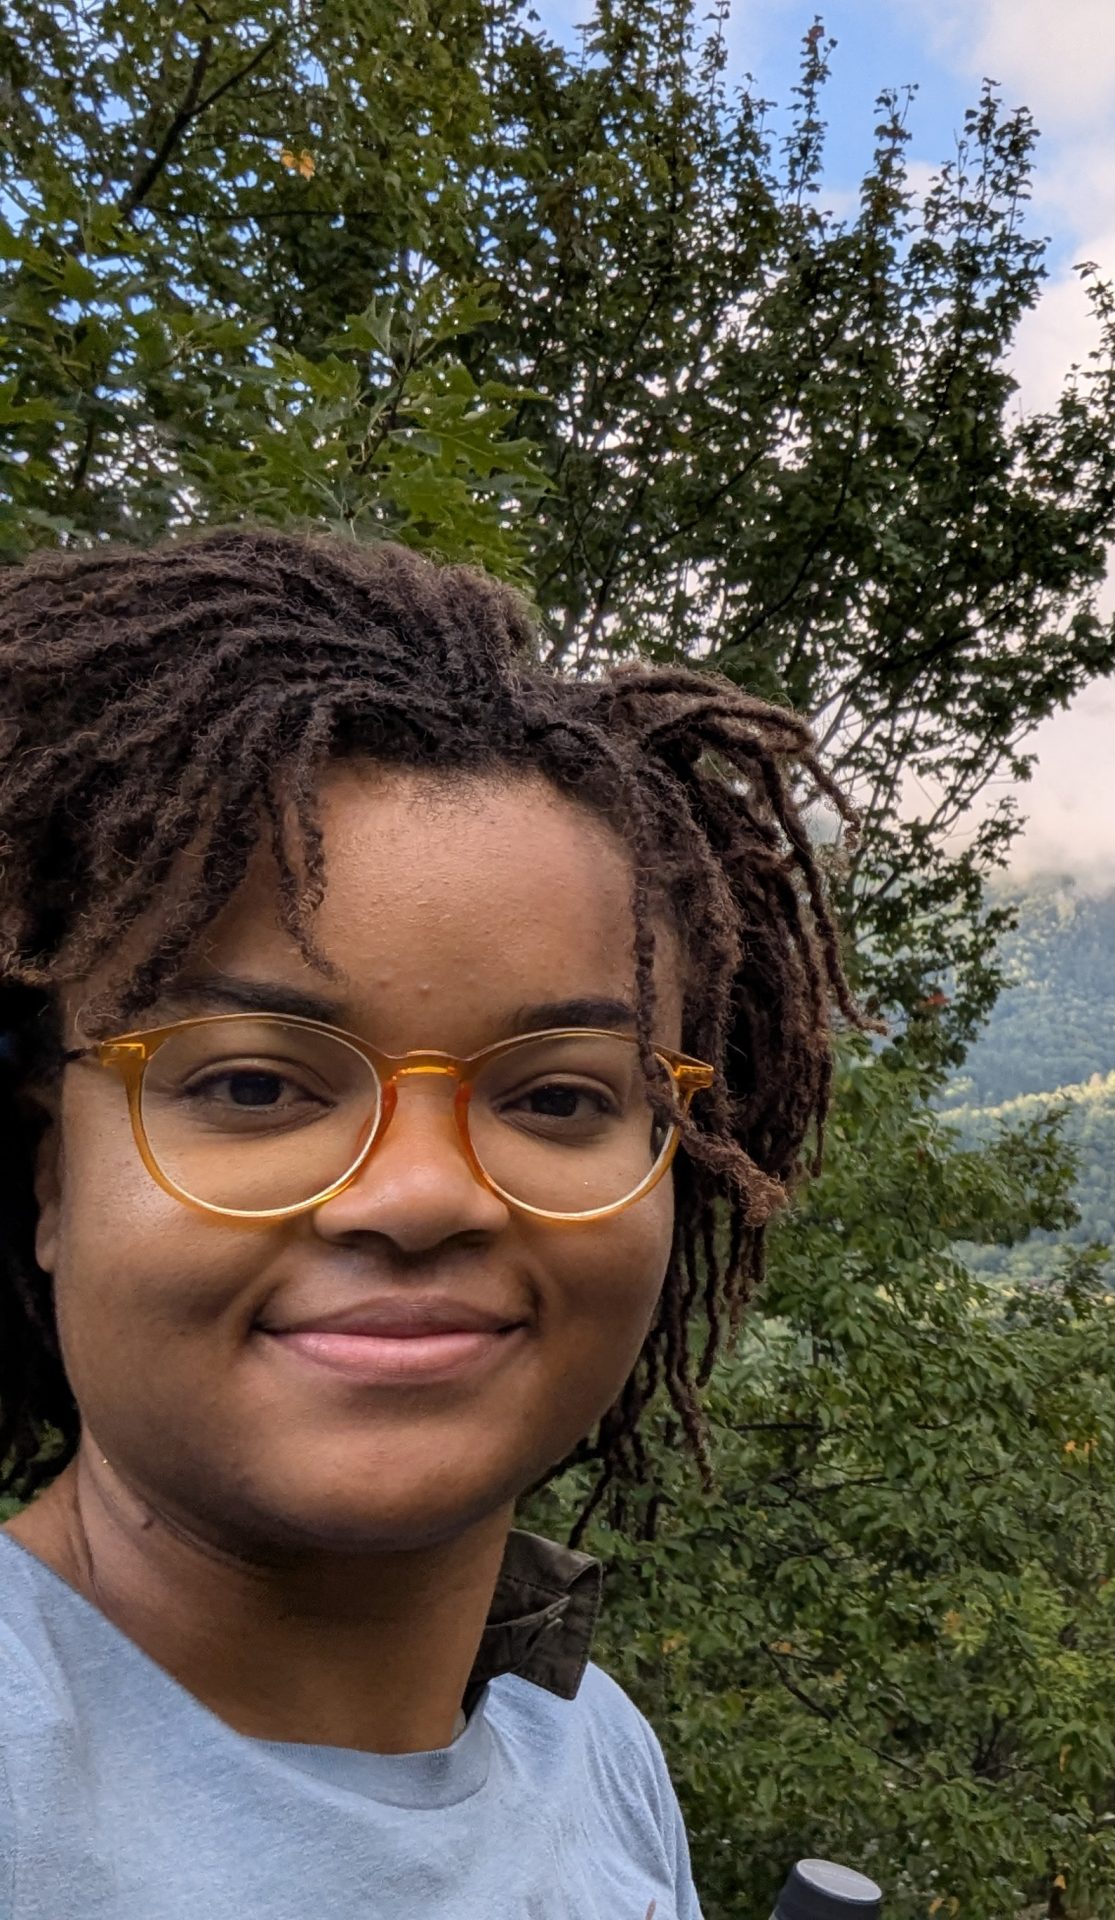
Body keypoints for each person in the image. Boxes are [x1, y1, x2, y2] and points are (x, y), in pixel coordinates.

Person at [0, 529, 849, 1916]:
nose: (421, 1193)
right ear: (48, 1179)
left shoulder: (590, 1754)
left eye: (563, 1099)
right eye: (258, 1082)